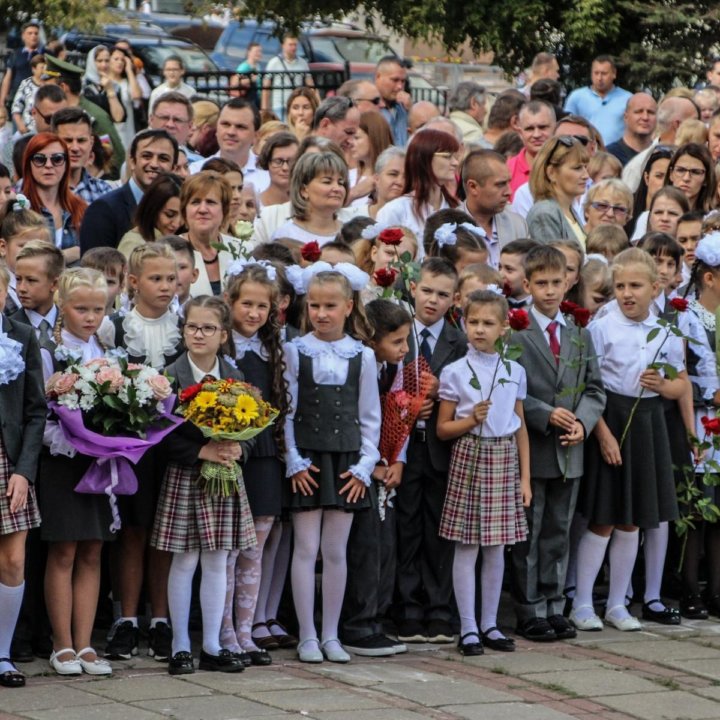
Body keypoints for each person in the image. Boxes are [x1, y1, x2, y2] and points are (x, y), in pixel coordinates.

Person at [571, 248, 687, 632]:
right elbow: (589, 385)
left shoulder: (667, 331)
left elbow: (681, 383)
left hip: (648, 422)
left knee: (633, 521)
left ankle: (618, 603)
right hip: (611, 418)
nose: (627, 293)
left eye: (635, 286)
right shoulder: (602, 329)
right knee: (604, 516)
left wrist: (665, 384)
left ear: (656, 288)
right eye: (620, 286)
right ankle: (583, 601)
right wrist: (602, 433)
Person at [284, 265, 380, 663]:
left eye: (330, 305)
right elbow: (287, 412)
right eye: (314, 305)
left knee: (336, 550)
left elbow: (370, 416)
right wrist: (293, 460)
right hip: (306, 460)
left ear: (348, 306)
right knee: (306, 548)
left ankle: (331, 634)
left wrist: (364, 466)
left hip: (346, 462)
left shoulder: (364, 356)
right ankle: (306, 635)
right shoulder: (295, 350)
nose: (321, 313)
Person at [510, 245, 605, 641]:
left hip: (571, 449)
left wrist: (583, 422)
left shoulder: (579, 333)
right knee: (530, 532)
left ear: (568, 281)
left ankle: (553, 604)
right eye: (541, 283)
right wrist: (543, 412)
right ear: (528, 284)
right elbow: (510, 386)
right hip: (533, 447)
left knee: (559, 530)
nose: (550, 290)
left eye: (556, 282)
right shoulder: (517, 330)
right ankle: (528, 607)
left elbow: (595, 389)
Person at [152, 295, 251, 676]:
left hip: (224, 479)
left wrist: (238, 447)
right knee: (185, 558)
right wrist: (202, 451)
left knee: (217, 559)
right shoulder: (168, 377)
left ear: (223, 334)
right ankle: (180, 646)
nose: (198, 334)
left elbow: (255, 425)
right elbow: (159, 435)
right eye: (192, 326)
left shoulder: (235, 377)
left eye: (208, 328)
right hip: (186, 476)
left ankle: (211, 644)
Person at [436, 289, 530, 655]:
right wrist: (469, 420)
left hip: (503, 457)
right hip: (469, 454)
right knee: (467, 544)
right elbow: (443, 429)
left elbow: (519, 425)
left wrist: (524, 478)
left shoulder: (513, 369)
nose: (479, 329)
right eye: (473, 322)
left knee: (497, 547)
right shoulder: (455, 372)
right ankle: (469, 627)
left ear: (504, 328)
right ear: (463, 322)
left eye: (488, 323)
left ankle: (490, 623)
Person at [39, 268, 114, 676]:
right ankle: (61, 643)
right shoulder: (50, 351)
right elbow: (41, 412)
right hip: (62, 461)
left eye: (98, 309)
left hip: (100, 462)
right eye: (81, 308)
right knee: (65, 549)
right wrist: (72, 440)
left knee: (93, 547)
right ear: (62, 305)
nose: (90, 317)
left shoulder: (106, 350)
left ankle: (86, 644)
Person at [219, 263, 289, 666]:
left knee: (255, 548)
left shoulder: (274, 349)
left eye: (262, 306)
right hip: (232, 455)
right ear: (230, 302)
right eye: (246, 303)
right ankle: (224, 630)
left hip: (264, 455)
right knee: (228, 549)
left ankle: (246, 631)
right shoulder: (222, 348)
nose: (253, 313)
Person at [395, 258, 466, 643]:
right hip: (404, 447)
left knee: (439, 528)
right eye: (427, 291)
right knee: (405, 526)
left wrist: (443, 393)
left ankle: (439, 609)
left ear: (454, 299)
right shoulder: (399, 334)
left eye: (442, 295)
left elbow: (471, 396)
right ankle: (407, 608)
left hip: (442, 448)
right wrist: (408, 401)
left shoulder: (460, 341)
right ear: (413, 289)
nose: (433, 301)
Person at [340, 299, 411, 657]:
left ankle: (375, 619)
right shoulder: (362, 364)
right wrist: (373, 463)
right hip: (359, 467)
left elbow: (400, 417)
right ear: (374, 338)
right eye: (397, 341)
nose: (406, 349)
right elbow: (362, 417)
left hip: (385, 467)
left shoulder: (394, 370)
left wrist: (397, 458)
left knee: (385, 545)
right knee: (365, 547)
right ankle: (357, 623)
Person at [0, 261, 45, 689]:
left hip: (8, 462)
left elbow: (35, 411)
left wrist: (24, 472)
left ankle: (3, 653)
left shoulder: (21, 335)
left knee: (13, 559)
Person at [681, 232, 720, 619]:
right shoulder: (688, 317)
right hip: (700, 421)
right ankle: (690, 587)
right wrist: (710, 391)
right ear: (709, 277)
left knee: (719, 510)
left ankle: (716, 589)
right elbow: (678, 372)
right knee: (697, 509)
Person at [79, 128, 178, 252]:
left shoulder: (180, 210)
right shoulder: (104, 209)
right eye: (146, 156)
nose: (154, 164)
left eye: (163, 159)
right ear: (132, 162)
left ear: (174, 168)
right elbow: (94, 267)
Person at [43, 54, 127, 178]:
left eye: (48, 87)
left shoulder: (95, 116)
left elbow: (116, 159)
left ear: (62, 87)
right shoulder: (60, 113)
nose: (44, 92)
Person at [377, 129, 460, 245]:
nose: (455, 162)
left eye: (455, 156)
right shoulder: (395, 210)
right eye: (447, 156)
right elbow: (384, 254)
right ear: (425, 158)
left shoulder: (457, 209)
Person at [20, 133, 87, 266]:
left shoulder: (81, 208)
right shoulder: (19, 210)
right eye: (40, 159)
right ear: (28, 164)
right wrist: (68, 254)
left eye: (57, 159)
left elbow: (91, 254)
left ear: (66, 164)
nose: (49, 165)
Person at [460, 149, 528, 268]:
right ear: (473, 187)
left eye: (508, 183)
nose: (509, 192)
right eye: (500, 184)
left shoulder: (517, 225)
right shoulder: (448, 229)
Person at [189, 99, 270, 193]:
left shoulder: (269, 175)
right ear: (216, 129)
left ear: (256, 135)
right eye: (225, 124)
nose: (231, 132)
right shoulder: (195, 171)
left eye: (240, 127)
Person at [622, 95, 699, 192]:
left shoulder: (700, 159)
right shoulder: (638, 166)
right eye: (694, 122)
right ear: (678, 125)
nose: (700, 127)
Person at [271, 151, 348, 246]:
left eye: (340, 183)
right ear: (303, 190)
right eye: (327, 182)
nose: (337, 188)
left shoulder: (351, 234)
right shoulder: (286, 235)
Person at [181, 171, 238, 296]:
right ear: (185, 210)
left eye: (210, 202)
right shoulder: (169, 251)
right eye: (195, 202)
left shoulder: (242, 250)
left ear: (224, 210)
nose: (202, 209)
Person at [526, 136, 589, 245]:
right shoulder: (545, 212)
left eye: (585, 167)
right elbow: (553, 261)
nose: (586, 176)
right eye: (577, 168)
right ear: (551, 173)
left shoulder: (568, 210)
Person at [564, 55, 632, 145]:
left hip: (617, 155)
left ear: (614, 74)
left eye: (604, 74)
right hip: (585, 153)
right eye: (596, 73)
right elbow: (566, 127)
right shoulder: (576, 97)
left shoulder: (628, 98)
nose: (599, 78)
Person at [50, 108, 112, 204]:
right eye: (68, 140)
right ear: (52, 141)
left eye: (81, 140)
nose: (75, 148)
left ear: (91, 143)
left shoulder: (104, 192)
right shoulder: (33, 190)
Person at [118, 173, 184, 259]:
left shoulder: (180, 240)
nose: (177, 224)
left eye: (183, 215)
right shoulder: (133, 244)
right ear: (152, 209)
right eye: (169, 215)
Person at [507, 101, 556, 199]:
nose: (536, 134)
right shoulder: (507, 170)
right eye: (529, 129)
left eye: (542, 127)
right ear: (520, 133)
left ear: (555, 128)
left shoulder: (570, 166)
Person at [626, 145, 674, 238]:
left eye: (669, 177)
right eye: (659, 176)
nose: (665, 182)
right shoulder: (627, 206)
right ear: (647, 178)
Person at [262, 35, 314, 120]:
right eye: (290, 44)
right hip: (279, 105)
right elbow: (265, 88)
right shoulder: (274, 63)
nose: (293, 47)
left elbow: (311, 85)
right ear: (283, 45)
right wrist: (265, 109)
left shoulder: (303, 63)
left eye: (295, 45)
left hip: (296, 106)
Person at [350, 112, 393, 206]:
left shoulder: (392, 179)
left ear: (374, 138)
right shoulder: (347, 176)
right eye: (350, 137)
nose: (350, 143)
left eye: (356, 138)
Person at [149, 92, 202, 165]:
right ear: (151, 120)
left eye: (178, 120)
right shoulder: (136, 161)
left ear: (190, 126)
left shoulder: (200, 165)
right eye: (164, 118)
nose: (170, 125)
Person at [0, 21, 43, 110]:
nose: (33, 36)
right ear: (23, 36)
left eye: (36, 33)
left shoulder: (45, 55)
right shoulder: (16, 54)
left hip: (37, 101)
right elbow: (8, 77)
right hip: (17, 100)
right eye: (30, 33)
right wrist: (2, 101)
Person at [106, 46, 142, 151]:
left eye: (122, 60)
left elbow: (136, 95)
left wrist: (129, 70)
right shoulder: (104, 82)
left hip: (127, 131)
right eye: (116, 59)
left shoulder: (127, 82)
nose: (120, 62)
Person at [606, 94, 658, 166]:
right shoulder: (609, 156)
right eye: (639, 111)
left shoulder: (662, 155)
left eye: (651, 112)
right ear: (626, 117)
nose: (645, 117)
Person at [665, 142, 716, 213]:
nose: (686, 178)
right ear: (671, 174)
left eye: (695, 172)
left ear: (706, 179)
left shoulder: (713, 221)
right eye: (680, 170)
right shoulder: (649, 217)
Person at [81, 46, 127, 124]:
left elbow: (118, 118)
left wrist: (110, 89)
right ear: (92, 62)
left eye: (107, 61)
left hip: (107, 133)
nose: (104, 65)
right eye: (99, 61)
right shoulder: (82, 85)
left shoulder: (114, 86)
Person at [257, 131, 298, 209]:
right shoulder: (254, 205)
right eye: (278, 161)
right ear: (267, 162)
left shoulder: (308, 206)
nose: (285, 168)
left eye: (291, 161)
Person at [375, 56, 409, 146]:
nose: (400, 87)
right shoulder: (370, 107)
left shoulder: (404, 107)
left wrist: (412, 110)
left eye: (403, 81)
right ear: (378, 77)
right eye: (395, 80)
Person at [11, 54, 46, 135]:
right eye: (41, 68)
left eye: (45, 67)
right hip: (27, 130)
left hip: (45, 130)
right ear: (34, 69)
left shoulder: (49, 85)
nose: (44, 70)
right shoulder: (26, 84)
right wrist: (20, 125)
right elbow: (16, 106)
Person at [448, 82, 490, 148]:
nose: (486, 110)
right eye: (484, 104)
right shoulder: (473, 133)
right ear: (473, 103)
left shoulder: (441, 123)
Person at [368, 146, 405, 219]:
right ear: (377, 179)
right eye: (393, 174)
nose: (400, 182)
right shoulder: (351, 216)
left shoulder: (415, 222)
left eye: (406, 177)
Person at [234, 43, 262, 107]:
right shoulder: (244, 67)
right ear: (249, 52)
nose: (259, 54)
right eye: (256, 51)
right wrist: (251, 79)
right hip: (248, 100)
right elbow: (235, 82)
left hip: (257, 100)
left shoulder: (258, 66)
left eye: (260, 51)